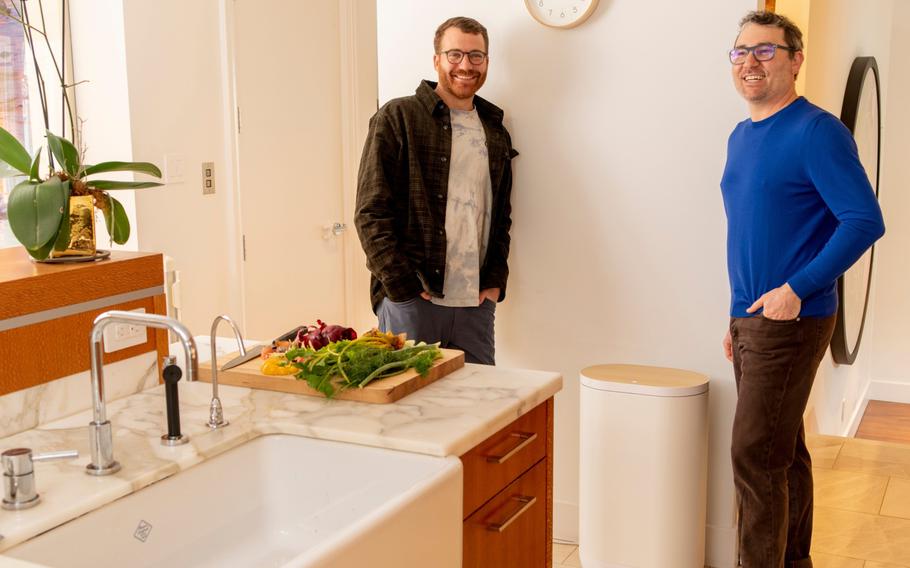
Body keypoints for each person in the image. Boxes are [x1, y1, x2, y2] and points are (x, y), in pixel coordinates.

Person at [720, 11, 885, 567]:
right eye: (741, 51)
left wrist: (797, 287)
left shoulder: (817, 131)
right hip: (753, 317)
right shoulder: (742, 135)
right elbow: (752, 231)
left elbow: (863, 219)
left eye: (766, 51)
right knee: (780, 451)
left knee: (753, 455)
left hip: (793, 317)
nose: (750, 62)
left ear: (795, 60)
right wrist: (735, 315)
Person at [355, 16, 517, 365]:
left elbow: (500, 215)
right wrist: (401, 286)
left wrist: (494, 283)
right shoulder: (398, 117)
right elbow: (370, 212)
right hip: (413, 300)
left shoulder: (495, 131)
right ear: (437, 60)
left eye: (476, 56)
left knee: (477, 409)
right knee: (408, 411)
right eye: (455, 54)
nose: (466, 65)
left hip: (475, 303)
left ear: (487, 62)